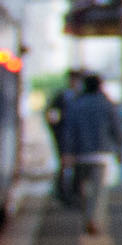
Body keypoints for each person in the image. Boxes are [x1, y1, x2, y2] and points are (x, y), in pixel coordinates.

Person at [58, 73, 122, 234]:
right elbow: (117, 130)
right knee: (99, 190)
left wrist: (66, 152)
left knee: (82, 189)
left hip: (80, 155)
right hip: (102, 155)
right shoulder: (107, 105)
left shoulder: (75, 104)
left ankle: (87, 216)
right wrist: (119, 150)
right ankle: (93, 219)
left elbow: (68, 131)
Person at [44, 70, 81, 206]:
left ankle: (73, 193)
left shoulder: (80, 96)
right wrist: (56, 128)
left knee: (77, 166)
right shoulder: (63, 97)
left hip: (78, 138)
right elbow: (50, 114)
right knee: (64, 164)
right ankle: (62, 194)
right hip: (64, 136)